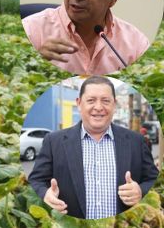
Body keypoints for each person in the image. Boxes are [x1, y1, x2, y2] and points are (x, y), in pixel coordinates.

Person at [28, 76, 158, 219]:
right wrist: (45, 194)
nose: (98, 107)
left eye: (105, 101)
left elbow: (152, 178)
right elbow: (36, 180)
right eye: (91, 100)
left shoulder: (136, 141)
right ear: (79, 103)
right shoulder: (54, 141)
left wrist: (140, 190)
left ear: (114, 104)